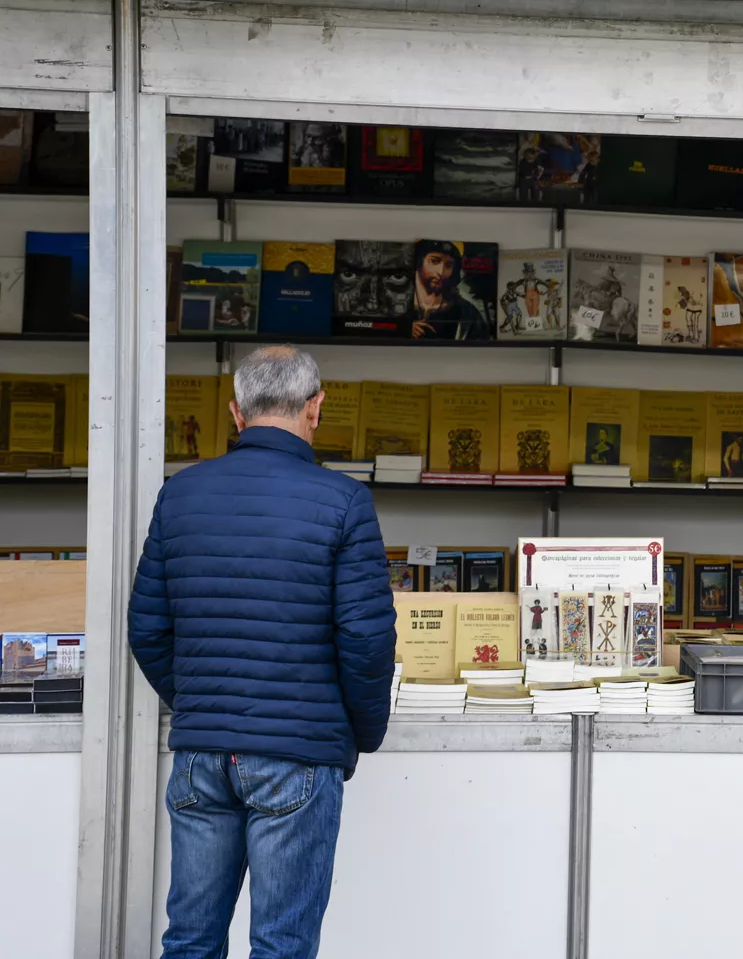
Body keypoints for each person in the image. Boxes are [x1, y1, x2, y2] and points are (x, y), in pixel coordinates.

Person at [128, 346, 397, 959]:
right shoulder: (343, 501)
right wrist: (360, 732)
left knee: (190, 940)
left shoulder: (182, 494)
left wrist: (202, 702)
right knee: (282, 944)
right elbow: (366, 637)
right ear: (316, 407)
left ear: (235, 412)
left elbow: (147, 627)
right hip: (298, 753)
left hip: (200, 753)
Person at [407, 239, 489, 340]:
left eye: (448, 265)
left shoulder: (467, 314)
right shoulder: (392, 303)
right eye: (434, 261)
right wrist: (403, 329)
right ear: (419, 261)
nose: (441, 272)